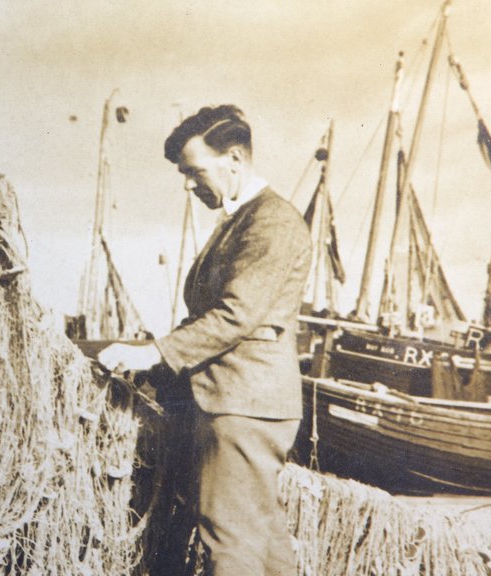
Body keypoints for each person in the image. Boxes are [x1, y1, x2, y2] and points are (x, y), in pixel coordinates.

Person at [98, 105, 311, 575]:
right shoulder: (246, 219)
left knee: (229, 542)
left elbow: (234, 315)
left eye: (195, 171)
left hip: (241, 405)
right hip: (243, 403)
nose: (188, 185)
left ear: (234, 159)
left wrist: (153, 352)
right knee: (263, 540)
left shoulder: (270, 222)